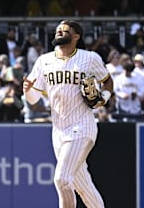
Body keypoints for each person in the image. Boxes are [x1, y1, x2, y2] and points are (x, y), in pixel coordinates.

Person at [23, 19, 112, 208]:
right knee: (83, 186)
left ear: (77, 36)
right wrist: (27, 90)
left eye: (64, 30)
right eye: (57, 30)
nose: (59, 32)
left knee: (62, 179)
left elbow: (107, 81)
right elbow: (33, 100)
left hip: (82, 126)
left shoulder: (89, 58)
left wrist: (103, 97)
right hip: (59, 131)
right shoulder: (44, 61)